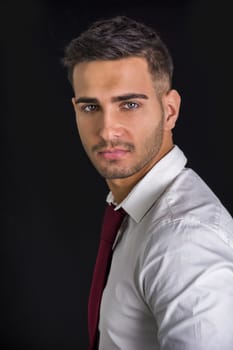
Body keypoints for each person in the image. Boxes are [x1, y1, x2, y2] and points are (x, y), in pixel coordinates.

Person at [62, 15, 233, 350]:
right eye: (90, 107)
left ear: (169, 110)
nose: (108, 129)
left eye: (129, 104)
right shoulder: (132, 209)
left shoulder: (184, 240)